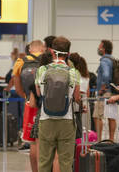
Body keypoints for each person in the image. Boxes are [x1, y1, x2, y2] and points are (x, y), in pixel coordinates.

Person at [35, 36, 80, 172]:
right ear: (68, 54)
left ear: (51, 51)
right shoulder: (73, 72)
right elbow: (77, 97)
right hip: (66, 121)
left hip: (46, 120)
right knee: (65, 162)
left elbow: (38, 93)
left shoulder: (42, 70)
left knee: (44, 161)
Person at [94, 39, 117, 141]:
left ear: (104, 49)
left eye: (100, 46)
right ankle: (111, 140)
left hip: (104, 93)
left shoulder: (104, 60)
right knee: (111, 116)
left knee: (97, 116)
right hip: (112, 92)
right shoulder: (112, 60)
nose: (98, 48)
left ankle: (99, 140)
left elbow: (106, 75)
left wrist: (103, 87)